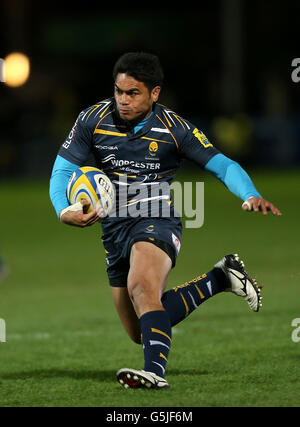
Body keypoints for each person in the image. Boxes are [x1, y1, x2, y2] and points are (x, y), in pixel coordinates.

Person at [49, 52, 282, 389]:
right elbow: (62, 171)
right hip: (112, 230)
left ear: (154, 93)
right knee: (139, 329)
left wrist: (249, 194)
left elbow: (224, 165)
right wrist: (63, 210)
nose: (123, 101)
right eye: (118, 91)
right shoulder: (92, 119)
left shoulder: (175, 129)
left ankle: (154, 374)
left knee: (142, 289)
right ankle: (219, 278)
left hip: (155, 218)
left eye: (133, 93)